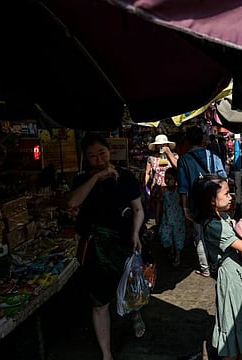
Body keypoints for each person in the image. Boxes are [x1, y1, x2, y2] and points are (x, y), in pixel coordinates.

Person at [68, 133, 145, 360]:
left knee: (131, 287)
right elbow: (72, 202)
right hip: (95, 250)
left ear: (109, 151)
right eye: (92, 156)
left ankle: (135, 314)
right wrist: (97, 176)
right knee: (100, 301)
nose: (99, 159)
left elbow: (138, 210)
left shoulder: (126, 177)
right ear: (85, 159)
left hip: (123, 244)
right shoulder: (82, 180)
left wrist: (135, 234)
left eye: (102, 153)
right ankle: (106, 354)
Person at [191, 173, 242, 359]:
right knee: (233, 332)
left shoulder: (222, 217)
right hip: (231, 280)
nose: (230, 196)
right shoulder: (214, 226)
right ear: (212, 200)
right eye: (226, 193)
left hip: (237, 277)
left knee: (241, 330)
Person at [177, 125, 227, 277]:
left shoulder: (183, 160)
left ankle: (205, 268)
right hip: (214, 201)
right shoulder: (212, 156)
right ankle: (220, 264)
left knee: (199, 237)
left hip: (195, 204)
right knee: (218, 231)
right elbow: (223, 177)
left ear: (187, 140)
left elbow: (183, 187)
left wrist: (185, 209)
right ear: (202, 139)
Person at [144, 134, 178, 228]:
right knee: (158, 209)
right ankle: (159, 226)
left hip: (171, 186)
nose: (161, 147)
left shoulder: (174, 156)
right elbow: (147, 173)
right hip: (157, 186)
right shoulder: (151, 158)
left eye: (164, 144)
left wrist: (169, 154)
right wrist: (145, 186)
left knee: (171, 209)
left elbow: (178, 167)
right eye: (159, 145)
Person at [159, 167, 186, 267]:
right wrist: (158, 216)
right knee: (166, 236)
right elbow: (160, 204)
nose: (167, 181)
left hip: (178, 219)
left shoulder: (179, 191)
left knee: (178, 238)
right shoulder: (163, 191)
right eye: (166, 178)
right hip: (166, 218)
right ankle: (171, 249)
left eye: (170, 179)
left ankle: (177, 256)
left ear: (175, 180)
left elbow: (184, 205)